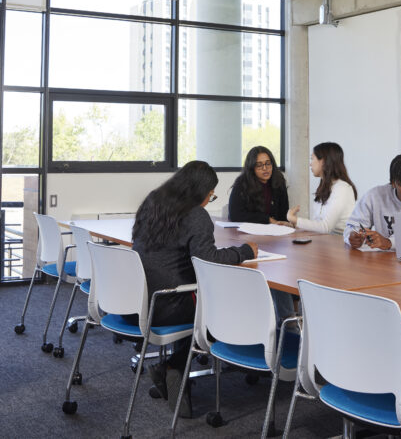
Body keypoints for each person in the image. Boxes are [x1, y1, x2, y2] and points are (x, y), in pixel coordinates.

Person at [132, 160, 257, 417]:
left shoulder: (153, 202)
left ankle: (175, 371)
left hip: (141, 299)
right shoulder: (196, 214)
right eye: (210, 196)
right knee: (225, 308)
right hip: (171, 304)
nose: (208, 201)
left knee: (199, 297)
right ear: (201, 191)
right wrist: (244, 251)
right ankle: (173, 367)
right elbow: (207, 260)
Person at [278, 142, 357, 234]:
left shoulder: (342, 188)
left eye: (312, 159)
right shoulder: (324, 187)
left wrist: (295, 219)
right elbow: (317, 225)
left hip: (339, 243)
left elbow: (326, 227)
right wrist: (294, 225)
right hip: (324, 241)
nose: (310, 164)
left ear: (323, 161)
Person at [227, 146, 290, 224]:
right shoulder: (242, 183)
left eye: (268, 163)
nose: (265, 168)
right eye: (259, 165)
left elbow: (284, 214)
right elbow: (235, 215)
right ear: (252, 168)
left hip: (274, 231)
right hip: (248, 232)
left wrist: (286, 223)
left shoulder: (278, 181)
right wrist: (267, 219)